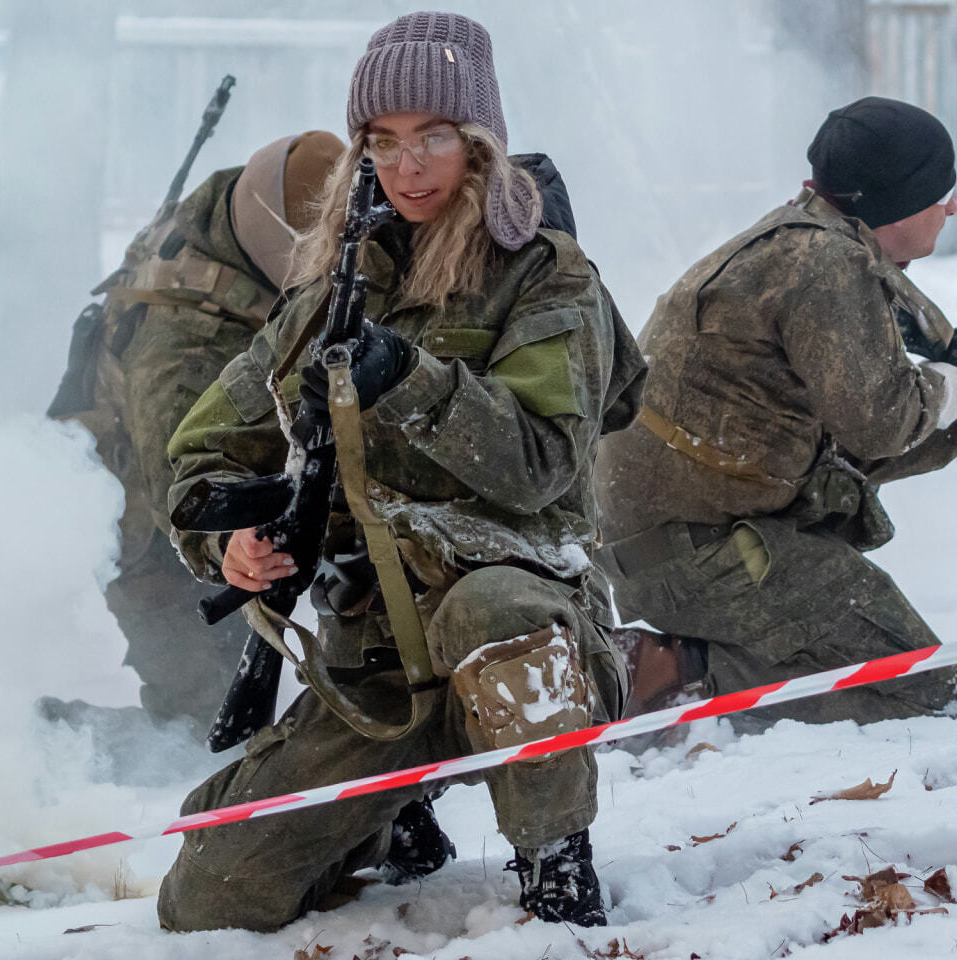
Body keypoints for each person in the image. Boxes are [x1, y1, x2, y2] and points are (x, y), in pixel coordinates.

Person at [157, 11, 645, 932]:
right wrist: (228, 541)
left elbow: (541, 463)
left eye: (434, 138)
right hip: (376, 662)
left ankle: (556, 865)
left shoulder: (546, 278)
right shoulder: (332, 288)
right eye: (383, 142)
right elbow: (203, 448)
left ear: (480, 145)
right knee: (209, 898)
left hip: (524, 636)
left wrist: (413, 379)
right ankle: (392, 821)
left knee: (493, 605)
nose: (408, 165)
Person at [594, 96, 957, 729]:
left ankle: (683, 675)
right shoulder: (825, 265)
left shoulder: (804, 241)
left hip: (677, 539)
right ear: (893, 201)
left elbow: (842, 450)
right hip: (701, 553)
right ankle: (662, 676)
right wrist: (943, 390)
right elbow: (880, 423)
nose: (953, 205)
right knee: (917, 689)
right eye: (939, 191)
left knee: (907, 674)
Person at [45, 130, 345, 730]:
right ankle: (59, 740)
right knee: (204, 727)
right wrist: (235, 550)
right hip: (148, 527)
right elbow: (183, 498)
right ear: (278, 243)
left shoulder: (229, 214)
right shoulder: (183, 350)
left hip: (186, 468)